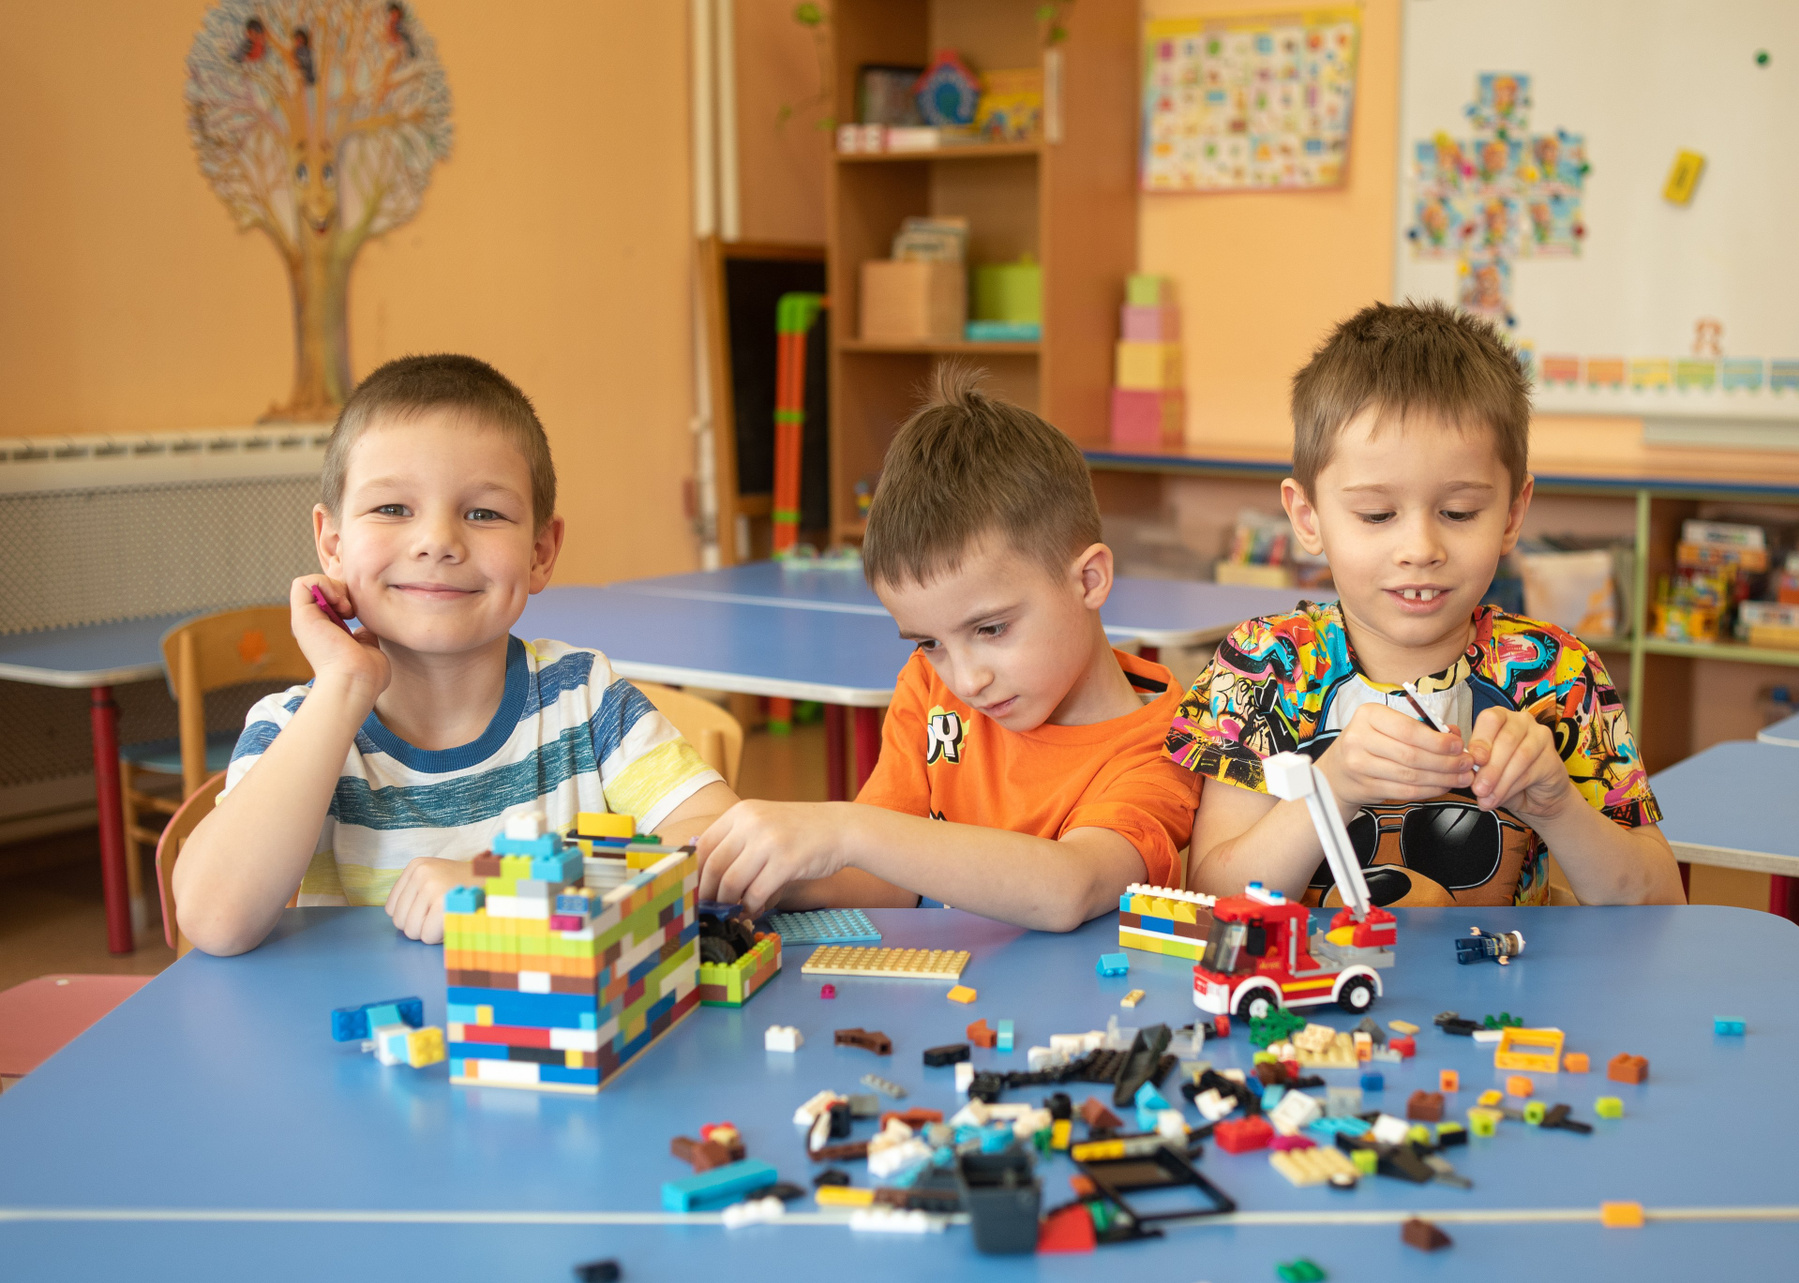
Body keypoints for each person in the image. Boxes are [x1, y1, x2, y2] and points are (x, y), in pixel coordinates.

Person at [174, 355, 738, 955]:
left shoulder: (586, 698)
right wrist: (344, 686)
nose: (438, 541)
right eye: (393, 508)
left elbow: (723, 847)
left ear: (541, 552)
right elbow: (215, 918)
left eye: (483, 513)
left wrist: (510, 888)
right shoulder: (299, 728)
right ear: (333, 545)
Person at [1167, 301, 1683, 907]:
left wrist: (1558, 807)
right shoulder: (1264, 666)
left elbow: (1661, 907)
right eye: (1376, 514)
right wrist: (1332, 786)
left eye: (1459, 513)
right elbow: (1212, 897)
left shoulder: (1556, 675)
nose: (1420, 549)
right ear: (1308, 517)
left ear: (1512, 514)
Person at [696, 367, 1202, 930]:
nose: (965, 680)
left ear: (1089, 580)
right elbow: (887, 878)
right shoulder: (929, 685)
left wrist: (844, 829)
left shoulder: (1169, 746)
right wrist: (757, 877)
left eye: (991, 629)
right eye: (930, 642)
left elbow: (1071, 887)